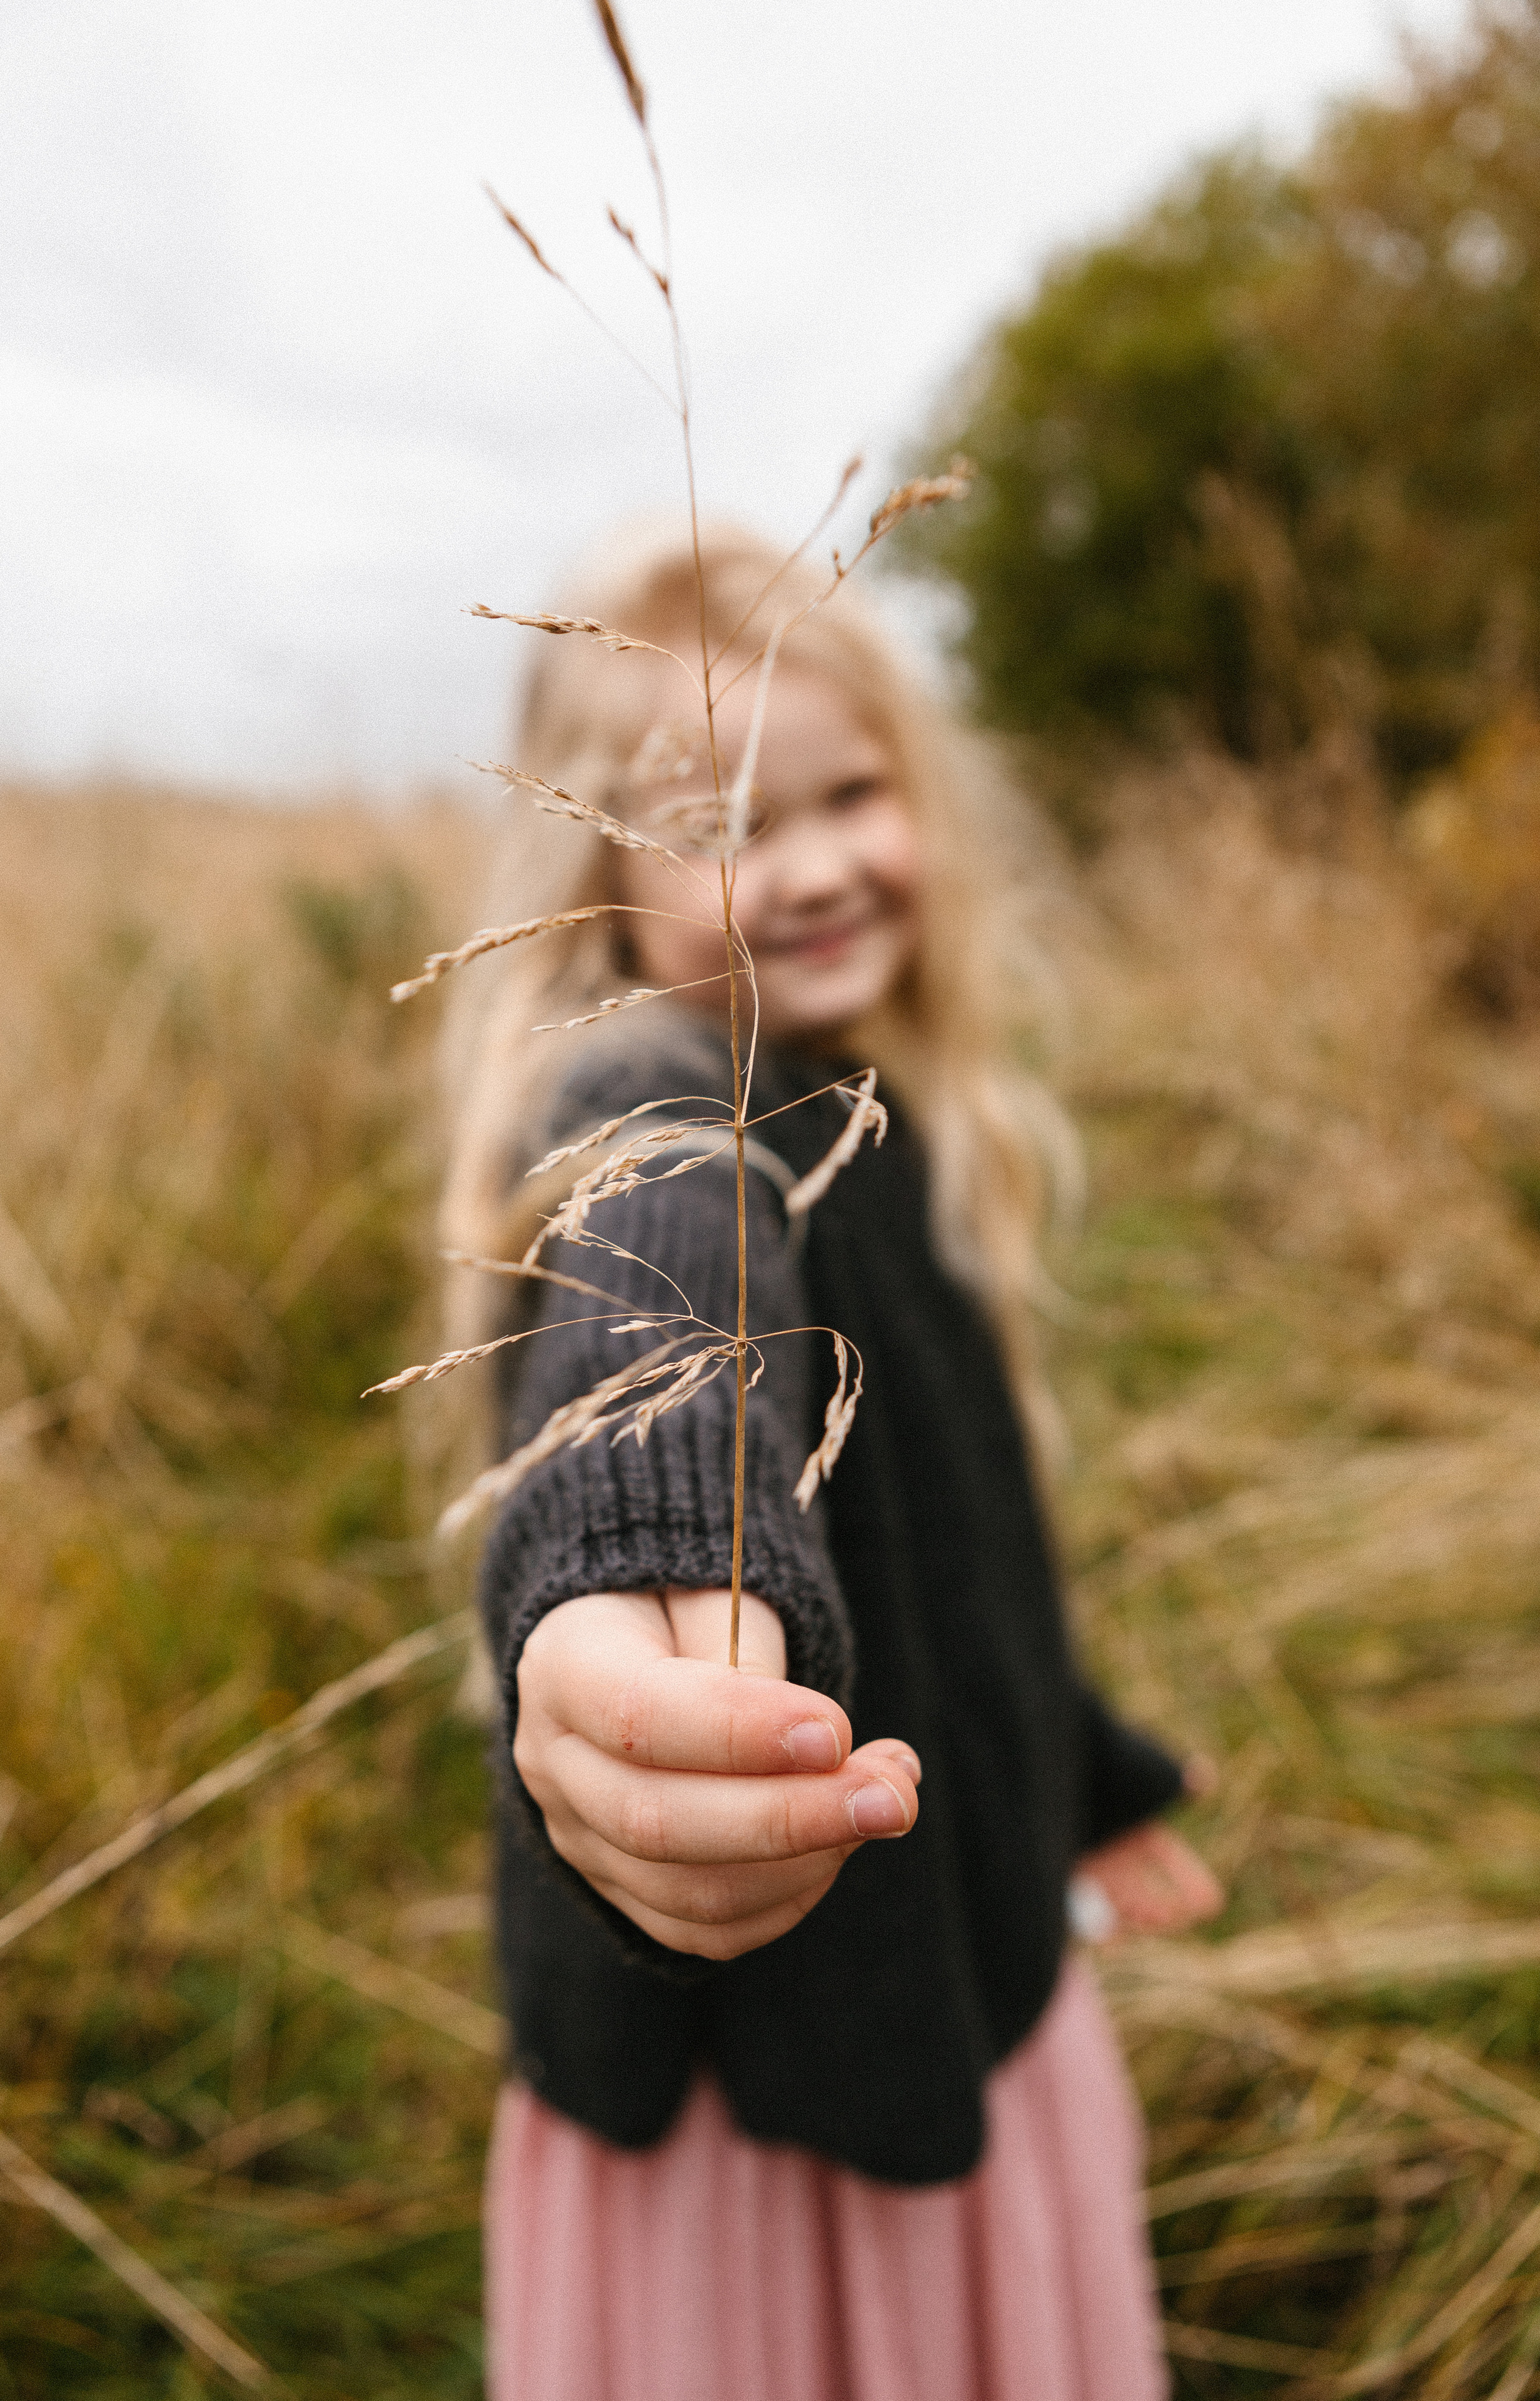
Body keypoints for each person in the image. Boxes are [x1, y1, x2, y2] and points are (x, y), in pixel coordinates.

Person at [440, 523, 1224, 2401]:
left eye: (851, 791)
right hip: (755, 2106)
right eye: (713, 823)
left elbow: (965, 1567)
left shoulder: (908, 1119)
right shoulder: (662, 1112)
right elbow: (658, 1331)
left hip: (972, 1970)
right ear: (597, 884)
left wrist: (1084, 1776)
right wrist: (627, 1570)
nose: (803, 867)